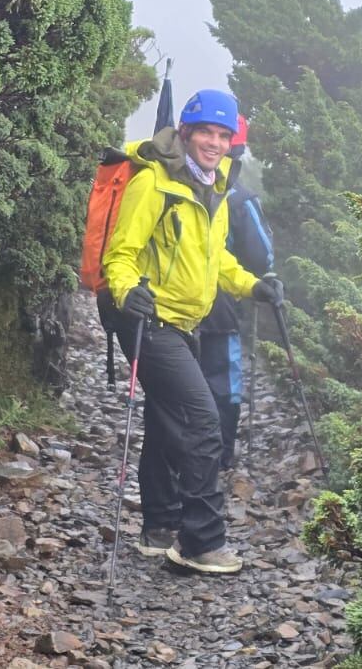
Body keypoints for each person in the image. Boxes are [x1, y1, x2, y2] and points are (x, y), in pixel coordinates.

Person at [102, 90, 284, 575]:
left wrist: (252, 286)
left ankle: (159, 528)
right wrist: (126, 292)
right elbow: (119, 255)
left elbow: (215, 259)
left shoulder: (214, 185)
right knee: (203, 422)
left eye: (224, 135)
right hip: (148, 320)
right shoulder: (155, 183)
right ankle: (200, 542)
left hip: (185, 322)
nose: (215, 142)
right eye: (206, 132)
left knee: (167, 421)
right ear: (185, 132)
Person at [196, 116, 274, 469]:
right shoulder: (240, 197)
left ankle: (179, 458)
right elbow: (262, 255)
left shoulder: (175, 185)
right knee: (223, 384)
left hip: (169, 308)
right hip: (222, 308)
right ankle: (220, 457)